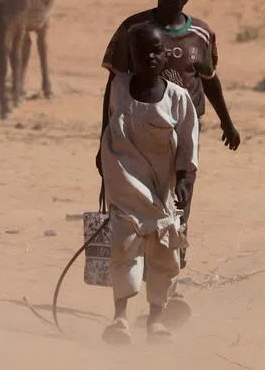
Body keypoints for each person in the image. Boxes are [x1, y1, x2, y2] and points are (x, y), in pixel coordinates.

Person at [97, 0, 240, 324]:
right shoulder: (134, 29)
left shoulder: (201, 35)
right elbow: (112, 88)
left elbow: (208, 79)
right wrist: (103, 143)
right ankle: (136, 294)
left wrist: (227, 120)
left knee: (177, 213)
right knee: (131, 215)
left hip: (180, 136)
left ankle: (164, 295)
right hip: (133, 137)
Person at [99, 22, 198, 345]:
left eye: (157, 51)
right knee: (124, 249)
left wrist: (184, 180)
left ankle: (155, 320)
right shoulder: (118, 88)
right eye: (143, 52)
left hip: (161, 193)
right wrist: (103, 166)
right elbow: (110, 131)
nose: (151, 57)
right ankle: (119, 320)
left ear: (165, 54)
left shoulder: (179, 99)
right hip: (125, 187)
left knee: (162, 256)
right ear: (132, 56)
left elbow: (187, 145)